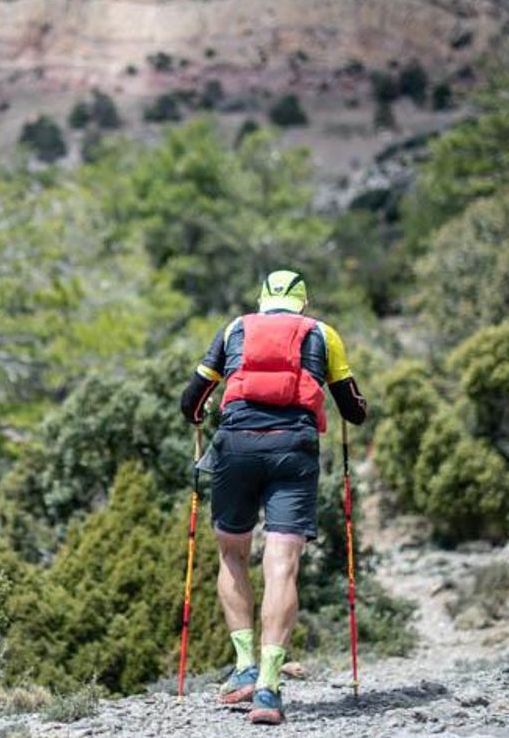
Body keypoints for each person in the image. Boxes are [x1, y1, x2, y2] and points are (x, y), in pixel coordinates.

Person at [179, 270, 368, 726]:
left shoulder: (234, 330)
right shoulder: (322, 334)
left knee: (232, 554)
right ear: (303, 303)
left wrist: (202, 412)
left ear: (262, 300)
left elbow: (191, 402)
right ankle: (268, 685)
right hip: (293, 450)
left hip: (236, 448)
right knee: (281, 564)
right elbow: (354, 410)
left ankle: (243, 663)